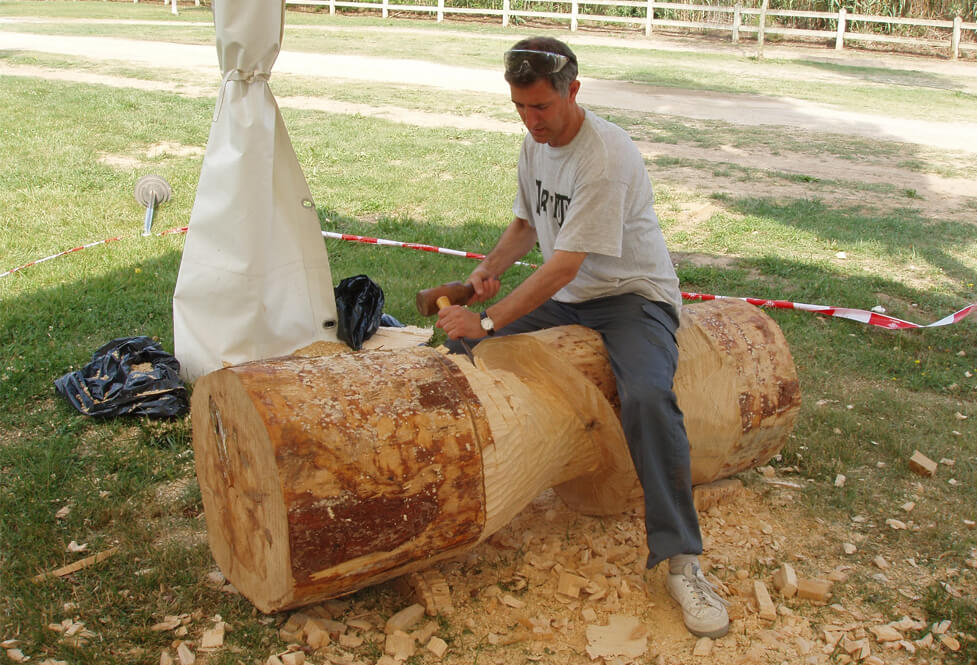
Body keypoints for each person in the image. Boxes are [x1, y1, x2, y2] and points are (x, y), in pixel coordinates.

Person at [436, 36, 729, 639]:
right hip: (569, 296)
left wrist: (489, 322)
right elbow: (525, 225)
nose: (530, 120)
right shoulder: (534, 144)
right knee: (454, 350)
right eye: (520, 107)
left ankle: (683, 560)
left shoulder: (605, 155)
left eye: (541, 107)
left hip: (630, 297)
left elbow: (564, 264)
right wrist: (484, 275)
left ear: (574, 90)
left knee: (647, 397)